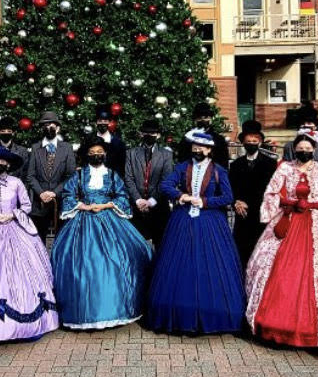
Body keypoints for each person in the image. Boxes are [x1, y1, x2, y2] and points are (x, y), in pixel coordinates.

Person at [245, 134, 318, 348]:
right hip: (288, 221)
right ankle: (273, 323)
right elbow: (270, 193)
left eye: (307, 147)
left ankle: (315, 330)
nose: (303, 150)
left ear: (314, 149)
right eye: (299, 147)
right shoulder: (284, 168)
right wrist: (286, 201)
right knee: (279, 271)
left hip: (316, 224)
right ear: (294, 149)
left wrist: (317, 205)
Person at [145, 129, 246, 335]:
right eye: (195, 146)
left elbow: (228, 197)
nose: (197, 149)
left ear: (210, 150)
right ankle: (179, 313)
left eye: (201, 147)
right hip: (183, 220)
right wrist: (182, 195)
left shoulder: (219, 171)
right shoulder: (182, 167)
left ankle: (213, 313)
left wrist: (206, 201)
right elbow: (166, 185)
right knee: (180, 262)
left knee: (211, 263)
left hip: (210, 221)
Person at [51, 139, 152, 329]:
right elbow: (68, 195)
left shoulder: (113, 175)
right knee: (79, 261)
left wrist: (106, 205)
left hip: (109, 217)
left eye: (99, 151)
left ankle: (116, 307)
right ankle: (84, 310)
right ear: (87, 154)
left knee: (127, 254)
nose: (96, 154)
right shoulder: (79, 176)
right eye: (92, 151)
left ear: (105, 154)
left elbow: (122, 196)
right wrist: (85, 206)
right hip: (83, 218)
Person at [0, 145, 59, 343]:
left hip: (14, 227)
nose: (0, 164)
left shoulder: (16, 183)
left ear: (8, 164)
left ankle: (27, 321)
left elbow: (26, 205)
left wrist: (12, 214)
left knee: (28, 258)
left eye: (3, 161)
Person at [229, 119, 279, 265]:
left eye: (254, 140)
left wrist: (248, 203)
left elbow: (269, 189)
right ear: (243, 142)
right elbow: (231, 187)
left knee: (261, 253)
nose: (251, 143)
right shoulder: (236, 164)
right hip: (241, 214)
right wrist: (235, 202)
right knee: (241, 253)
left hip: (260, 214)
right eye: (248, 140)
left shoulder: (270, 163)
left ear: (260, 141)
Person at [25, 111, 77, 242]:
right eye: (45, 126)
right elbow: (30, 175)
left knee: (61, 239)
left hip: (59, 202)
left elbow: (71, 175)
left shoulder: (67, 148)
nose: (49, 128)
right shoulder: (35, 148)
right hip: (39, 203)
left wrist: (54, 193)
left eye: (52, 125)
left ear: (58, 128)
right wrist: (41, 193)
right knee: (38, 239)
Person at [123, 119, 174, 248]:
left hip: (158, 205)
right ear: (141, 134)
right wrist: (138, 200)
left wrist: (151, 201)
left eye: (153, 133)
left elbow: (166, 180)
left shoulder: (166, 154)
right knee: (136, 245)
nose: (149, 136)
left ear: (158, 135)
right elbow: (128, 178)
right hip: (136, 206)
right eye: (146, 132)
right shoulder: (131, 153)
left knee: (161, 244)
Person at [0, 116, 30, 181]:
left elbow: (26, 174)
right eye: (3, 131)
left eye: (9, 131)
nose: (6, 133)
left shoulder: (22, 151)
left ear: (13, 133)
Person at [92, 106, 127, 176]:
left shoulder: (118, 143)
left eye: (105, 121)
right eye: (100, 121)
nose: (102, 123)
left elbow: (122, 165)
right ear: (96, 122)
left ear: (109, 122)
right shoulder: (90, 140)